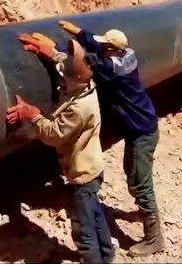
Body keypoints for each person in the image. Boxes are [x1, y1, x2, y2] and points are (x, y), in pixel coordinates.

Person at [59, 21, 165, 256]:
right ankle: (144, 214)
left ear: (113, 49)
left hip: (141, 132)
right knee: (132, 172)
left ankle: (154, 238)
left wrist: (57, 54)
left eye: (107, 46)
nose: (104, 48)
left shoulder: (114, 70)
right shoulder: (126, 54)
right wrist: (76, 31)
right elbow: (98, 47)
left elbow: (85, 68)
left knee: (140, 183)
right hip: (142, 125)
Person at [8, 35, 114, 264]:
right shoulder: (86, 85)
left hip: (83, 175)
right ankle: (106, 255)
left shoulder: (79, 108)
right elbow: (70, 67)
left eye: (64, 79)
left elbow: (53, 135)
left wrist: (32, 115)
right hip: (93, 168)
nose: (61, 82)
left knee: (84, 229)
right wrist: (50, 53)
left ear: (74, 79)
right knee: (96, 215)